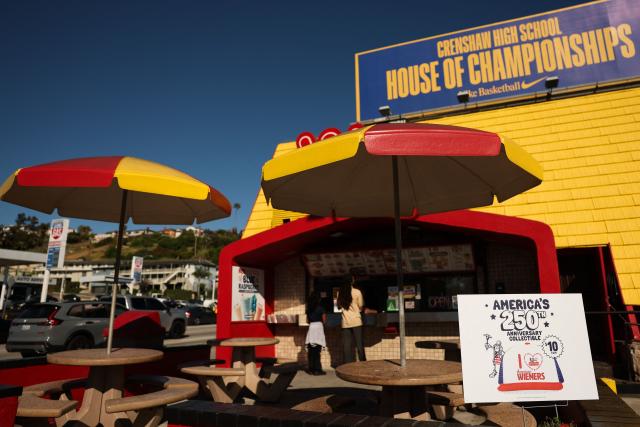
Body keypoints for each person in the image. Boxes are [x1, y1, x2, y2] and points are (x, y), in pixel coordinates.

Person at [337, 275, 366, 364]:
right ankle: (363, 365)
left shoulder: (339, 292)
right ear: (351, 281)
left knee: (347, 346)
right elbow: (361, 306)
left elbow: (338, 306)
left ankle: (347, 367)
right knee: (359, 344)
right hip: (356, 321)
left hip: (345, 322)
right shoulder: (357, 292)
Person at [305, 291, 326, 375]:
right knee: (317, 350)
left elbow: (307, 321)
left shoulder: (308, 309)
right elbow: (324, 321)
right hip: (318, 328)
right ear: (318, 299)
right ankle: (317, 370)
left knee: (311, 350)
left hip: (311, 328)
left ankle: (311, 369)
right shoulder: (321, 308)